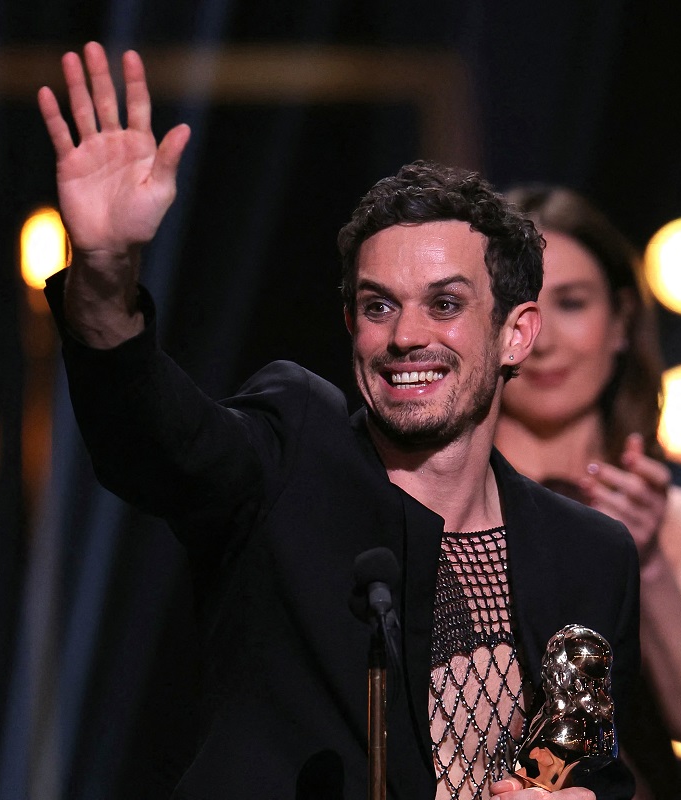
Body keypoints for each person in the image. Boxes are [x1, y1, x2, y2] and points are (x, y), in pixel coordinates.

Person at [37, 42, 641, 800]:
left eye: (446, 305)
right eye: (378, 305)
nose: (406, 335)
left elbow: (598, 774)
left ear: (516, 333)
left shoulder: (591, 554)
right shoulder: (294, 454)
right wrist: (102, 276)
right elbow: (152, 442)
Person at [494, 186, 681, 799]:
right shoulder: (426, 506)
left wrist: (647, 560)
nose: (544, 339)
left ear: (622, 322)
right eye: (518, 308)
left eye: (572, 303)